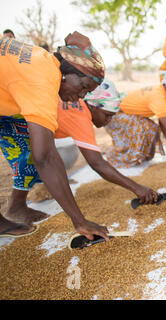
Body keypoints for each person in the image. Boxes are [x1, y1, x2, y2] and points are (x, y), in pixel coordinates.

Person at [0, 31, 110, 241]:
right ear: (69, 73)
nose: (80, 96)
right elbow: (46, 158)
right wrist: (80, 221)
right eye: (84, 87)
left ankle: (14, 209)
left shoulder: (43, 61)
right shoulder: (43, 81)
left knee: (28, 148)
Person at [6, 79, 160, 220]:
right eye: (106, 115)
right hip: (14, 116)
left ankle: (24, 201)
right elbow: (97, 163)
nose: (108, 121)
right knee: (33, 160)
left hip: (24, 115)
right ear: (93, 106)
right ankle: (16, 207)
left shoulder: (81, 107)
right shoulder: (79, 114)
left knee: (40, 159)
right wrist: (138, 188)